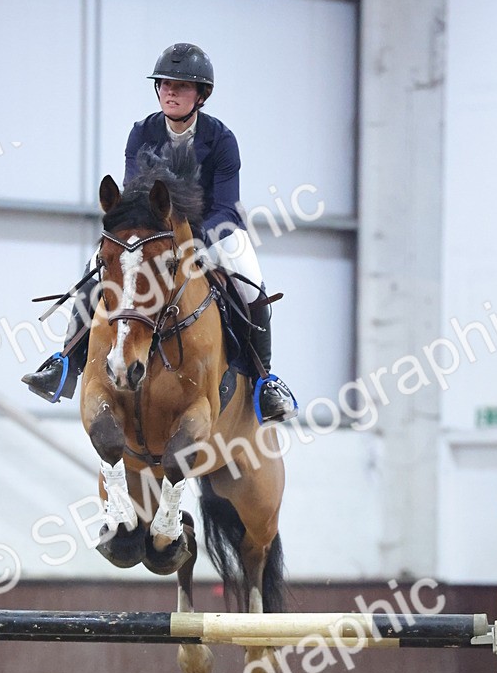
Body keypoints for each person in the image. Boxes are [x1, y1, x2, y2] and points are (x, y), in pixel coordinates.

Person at [23, 42, 298, 422]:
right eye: (165, 84)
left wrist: (195, 243)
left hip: (212, 231)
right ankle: (65, 362)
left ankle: (266, 380)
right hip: (151, 234)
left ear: (201, 95)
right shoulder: (142, 132)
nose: (170, 91)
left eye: (182, 86)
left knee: (250, 282)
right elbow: (134, 195)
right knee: (94, 269)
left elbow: (226, 207)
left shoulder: (221, 140)